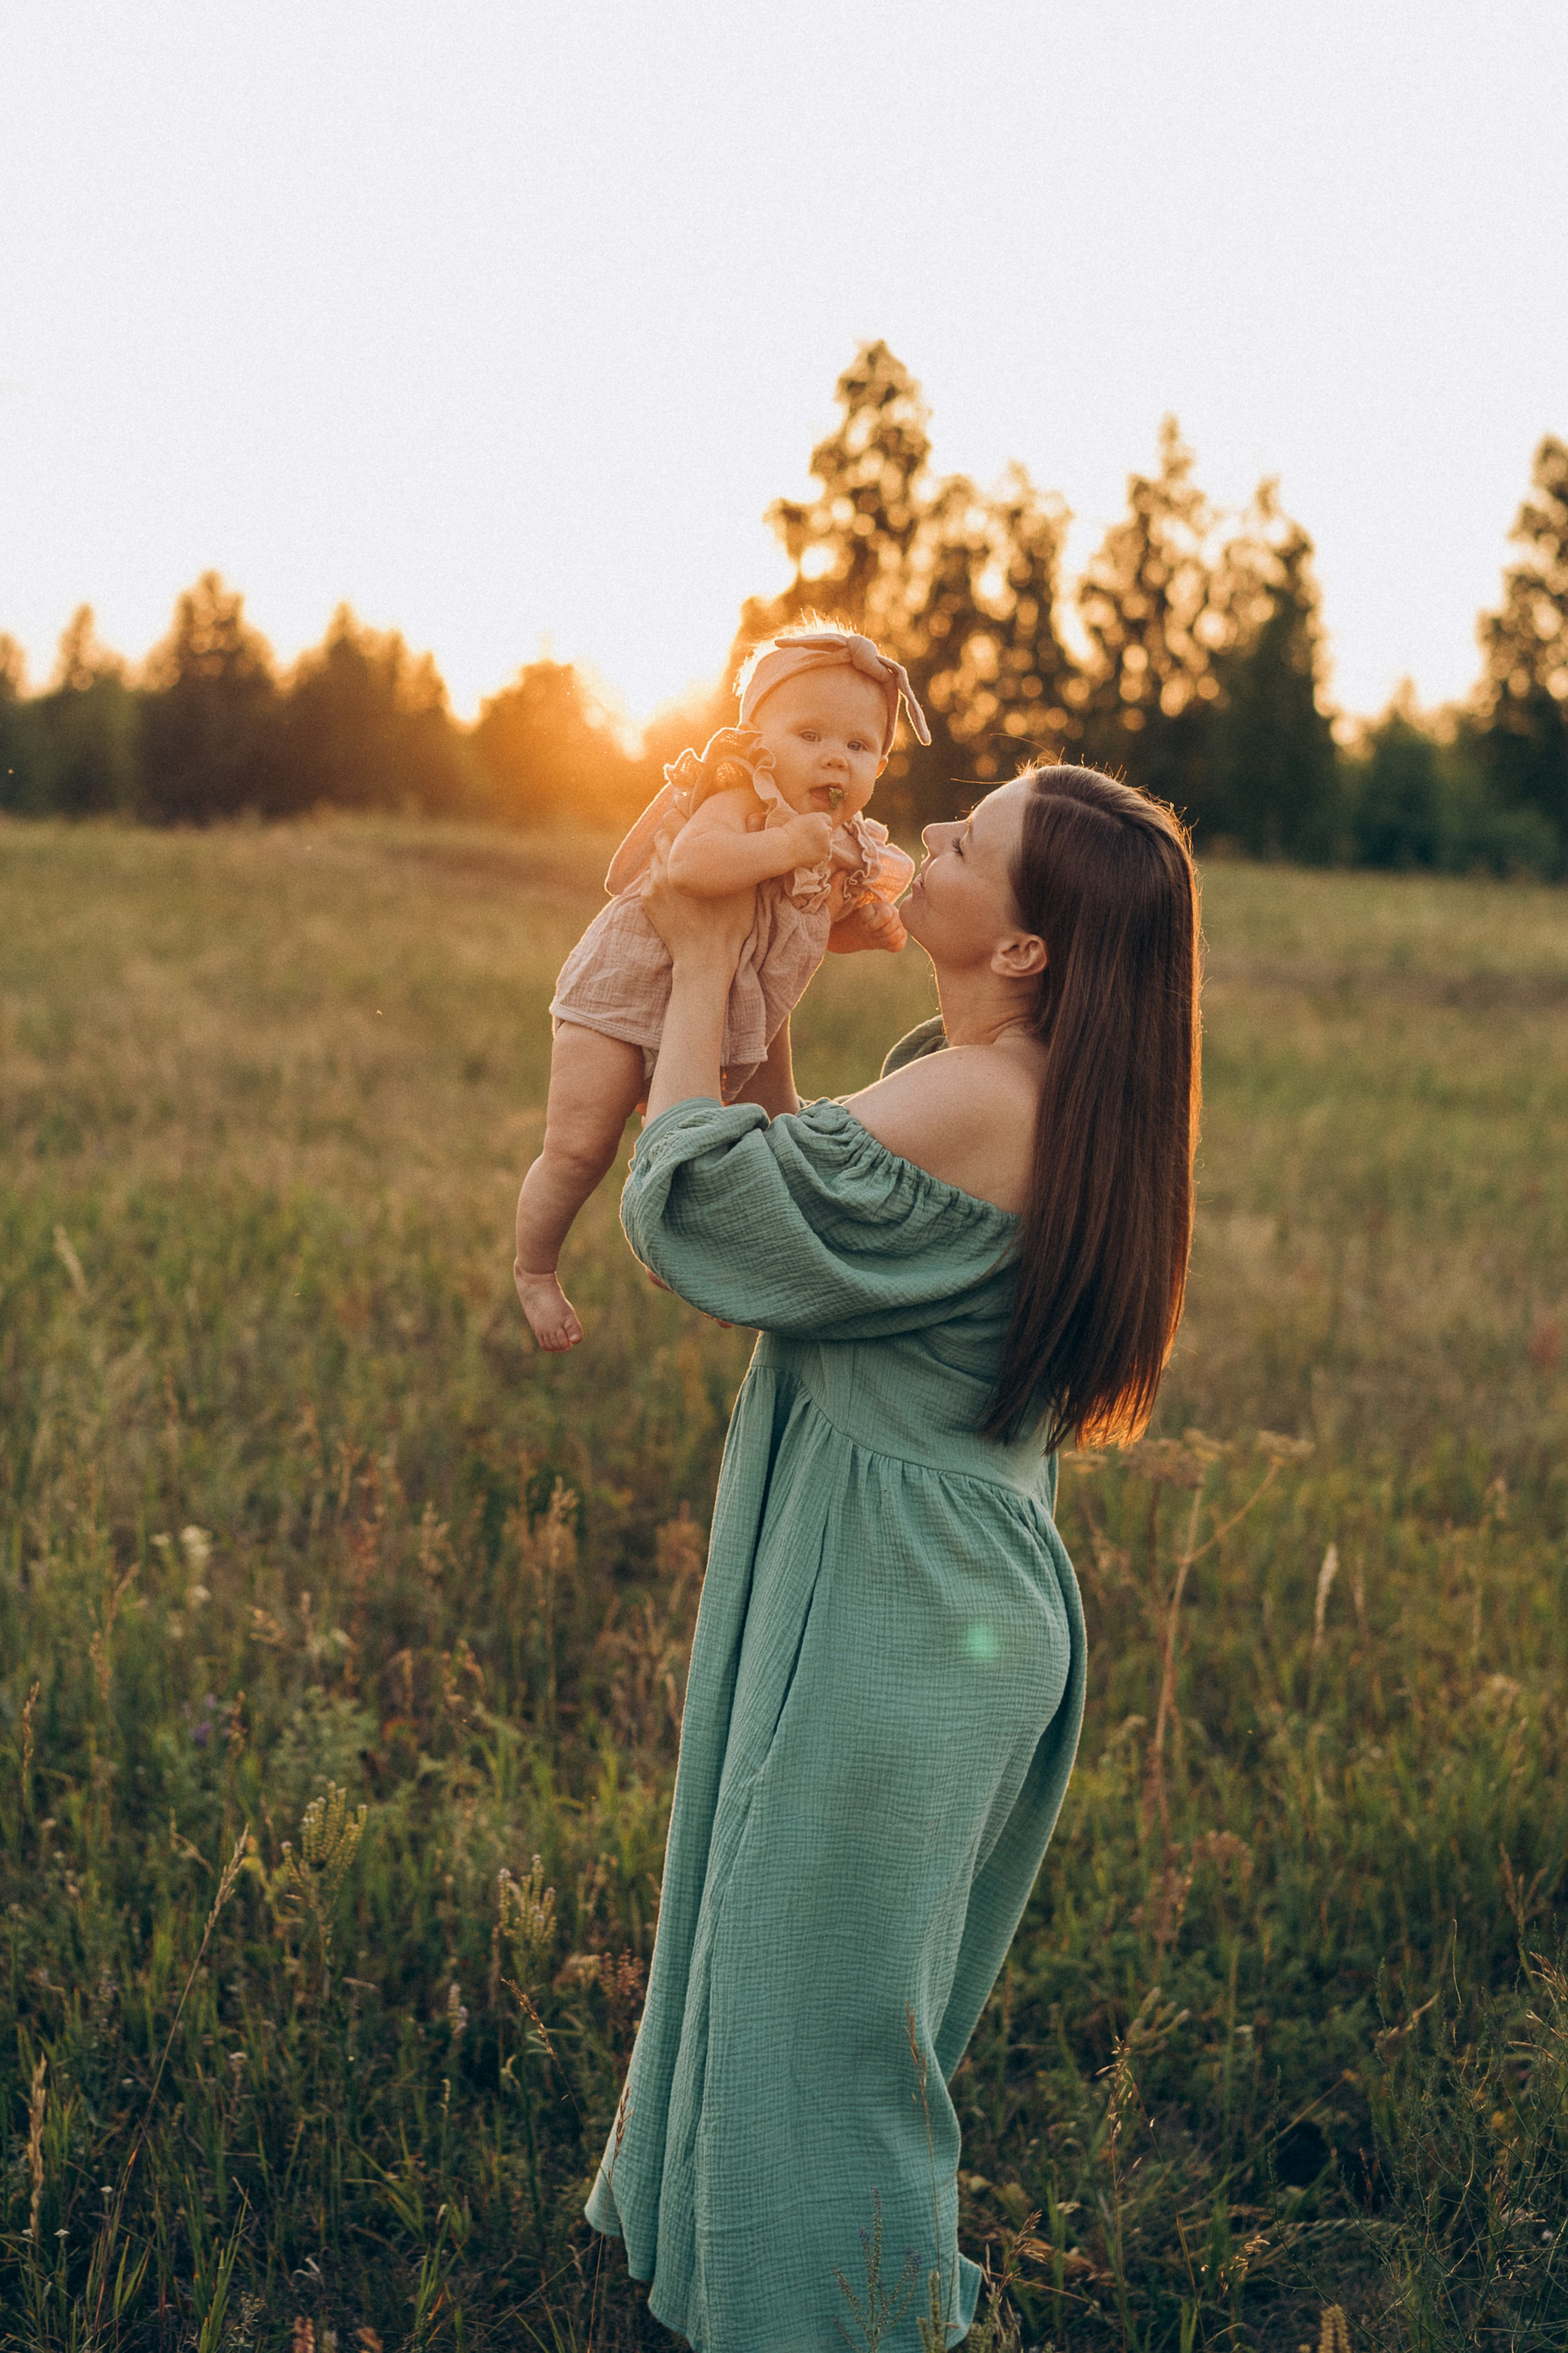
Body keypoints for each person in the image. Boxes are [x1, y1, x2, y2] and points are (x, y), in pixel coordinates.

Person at [580, 763, 1204, 2350]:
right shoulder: (1026, 1086)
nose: (924, 839)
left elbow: (703, 1213)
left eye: (966, 843)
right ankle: (752, 2289)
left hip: (905, 1608)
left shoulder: (985, 1098)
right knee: (807, 1971)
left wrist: (706, 947)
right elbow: (817, 1213)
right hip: (932, 1573)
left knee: (827, 2021)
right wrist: (767, 990)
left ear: (1026, 952)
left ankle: (853, 2321)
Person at [513, 625, 928, 1352]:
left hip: (722, 1012)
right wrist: (784, 845)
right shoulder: (741, 795)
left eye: (858, 747)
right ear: (757, 738)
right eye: (809, 733)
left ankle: (684, 1253)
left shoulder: (843, 840)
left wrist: (855, 931)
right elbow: (693, 870)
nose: (834, 755)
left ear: (881, 764)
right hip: (625, 994)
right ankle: (534, 1268)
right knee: (581, 1146)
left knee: (724, 1149)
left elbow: (794, 923)